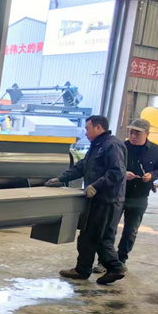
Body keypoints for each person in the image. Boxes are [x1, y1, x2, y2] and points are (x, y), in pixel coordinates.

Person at [46, 115, 125, 285]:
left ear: (98, 128)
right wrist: (60, 178)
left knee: (99, 237)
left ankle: (115, 268)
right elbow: (81, 167)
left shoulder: (112, 145)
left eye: (88, 128)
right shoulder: (97, 146)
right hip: (96, 200)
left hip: (108, 200)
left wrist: (96, 186)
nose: (86, 132)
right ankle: (82, 270)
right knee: (88, 236)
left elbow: (117, 172)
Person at [92, 118, 158, 273]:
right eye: (131, 132)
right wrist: (123, 174)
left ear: (147, 133)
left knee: (131, 231)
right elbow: (108, 167)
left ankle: (121, 259)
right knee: (109, 229)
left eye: (137, 133)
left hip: (139, 196)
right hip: (118, 195)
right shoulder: (121, 147)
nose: (133, 136)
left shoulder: (157, 151)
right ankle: (104, 261)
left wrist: (152, 175)